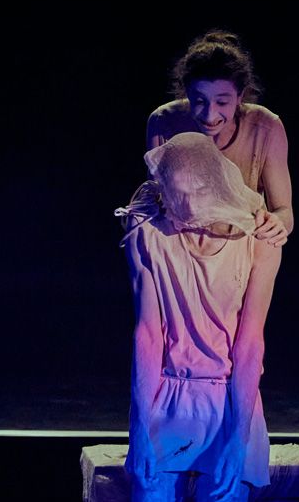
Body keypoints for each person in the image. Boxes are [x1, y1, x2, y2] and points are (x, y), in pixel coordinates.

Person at [115, 132, 281, 501]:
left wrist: (239, 439)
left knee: (225, 491)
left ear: (217, 185)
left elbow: (250, 343)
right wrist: (138, 430)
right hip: (170, 392)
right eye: (178, 194)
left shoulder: (258, 241)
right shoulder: (148, 234)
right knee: (148, 490)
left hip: (230, 399)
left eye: (199, 192)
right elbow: (148, 335)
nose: (188, 206)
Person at [146, 29, 292, 247]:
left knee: (270, 247)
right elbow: (156, 201)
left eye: (222, 102)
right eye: (199, 101)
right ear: (187, 93)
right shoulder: (163, 122)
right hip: (180, 244)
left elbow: (284, 212)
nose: (210, 115)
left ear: (240, 96)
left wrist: (276, 223)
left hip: (243, 243)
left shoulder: (266, 128)